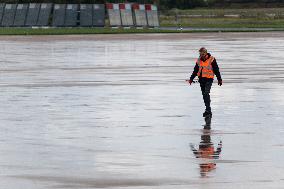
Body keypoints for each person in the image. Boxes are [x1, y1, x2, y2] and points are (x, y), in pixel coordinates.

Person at [187, 47, 222, 117]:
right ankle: (207, 110)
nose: (201, 55)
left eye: (203, 54)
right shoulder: (199, 60)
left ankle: (208, 110)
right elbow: (195, 71)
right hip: (201, 79)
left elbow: (216, 70)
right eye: (200, 54)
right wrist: (191, 79)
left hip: (209, 79)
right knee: (204, 95)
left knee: (206, 93)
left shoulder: (211, 59)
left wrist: (219, 79)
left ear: (206, 53)